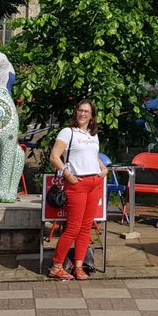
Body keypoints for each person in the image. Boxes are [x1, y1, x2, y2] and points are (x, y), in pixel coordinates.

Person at [48, 99, 108, 281]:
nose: (82, 114)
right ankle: (57, 266)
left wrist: (103, 169)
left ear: (92, 116)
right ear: (76, 112)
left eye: (86, 112)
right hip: (77, 183)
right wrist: (68, 175)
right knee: (73, 227)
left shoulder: (93, 134)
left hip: (95, 182)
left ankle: (79, 266)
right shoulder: (68, 132)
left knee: (85, 227)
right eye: (80, 110)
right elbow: (54, 156)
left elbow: (93, 155)